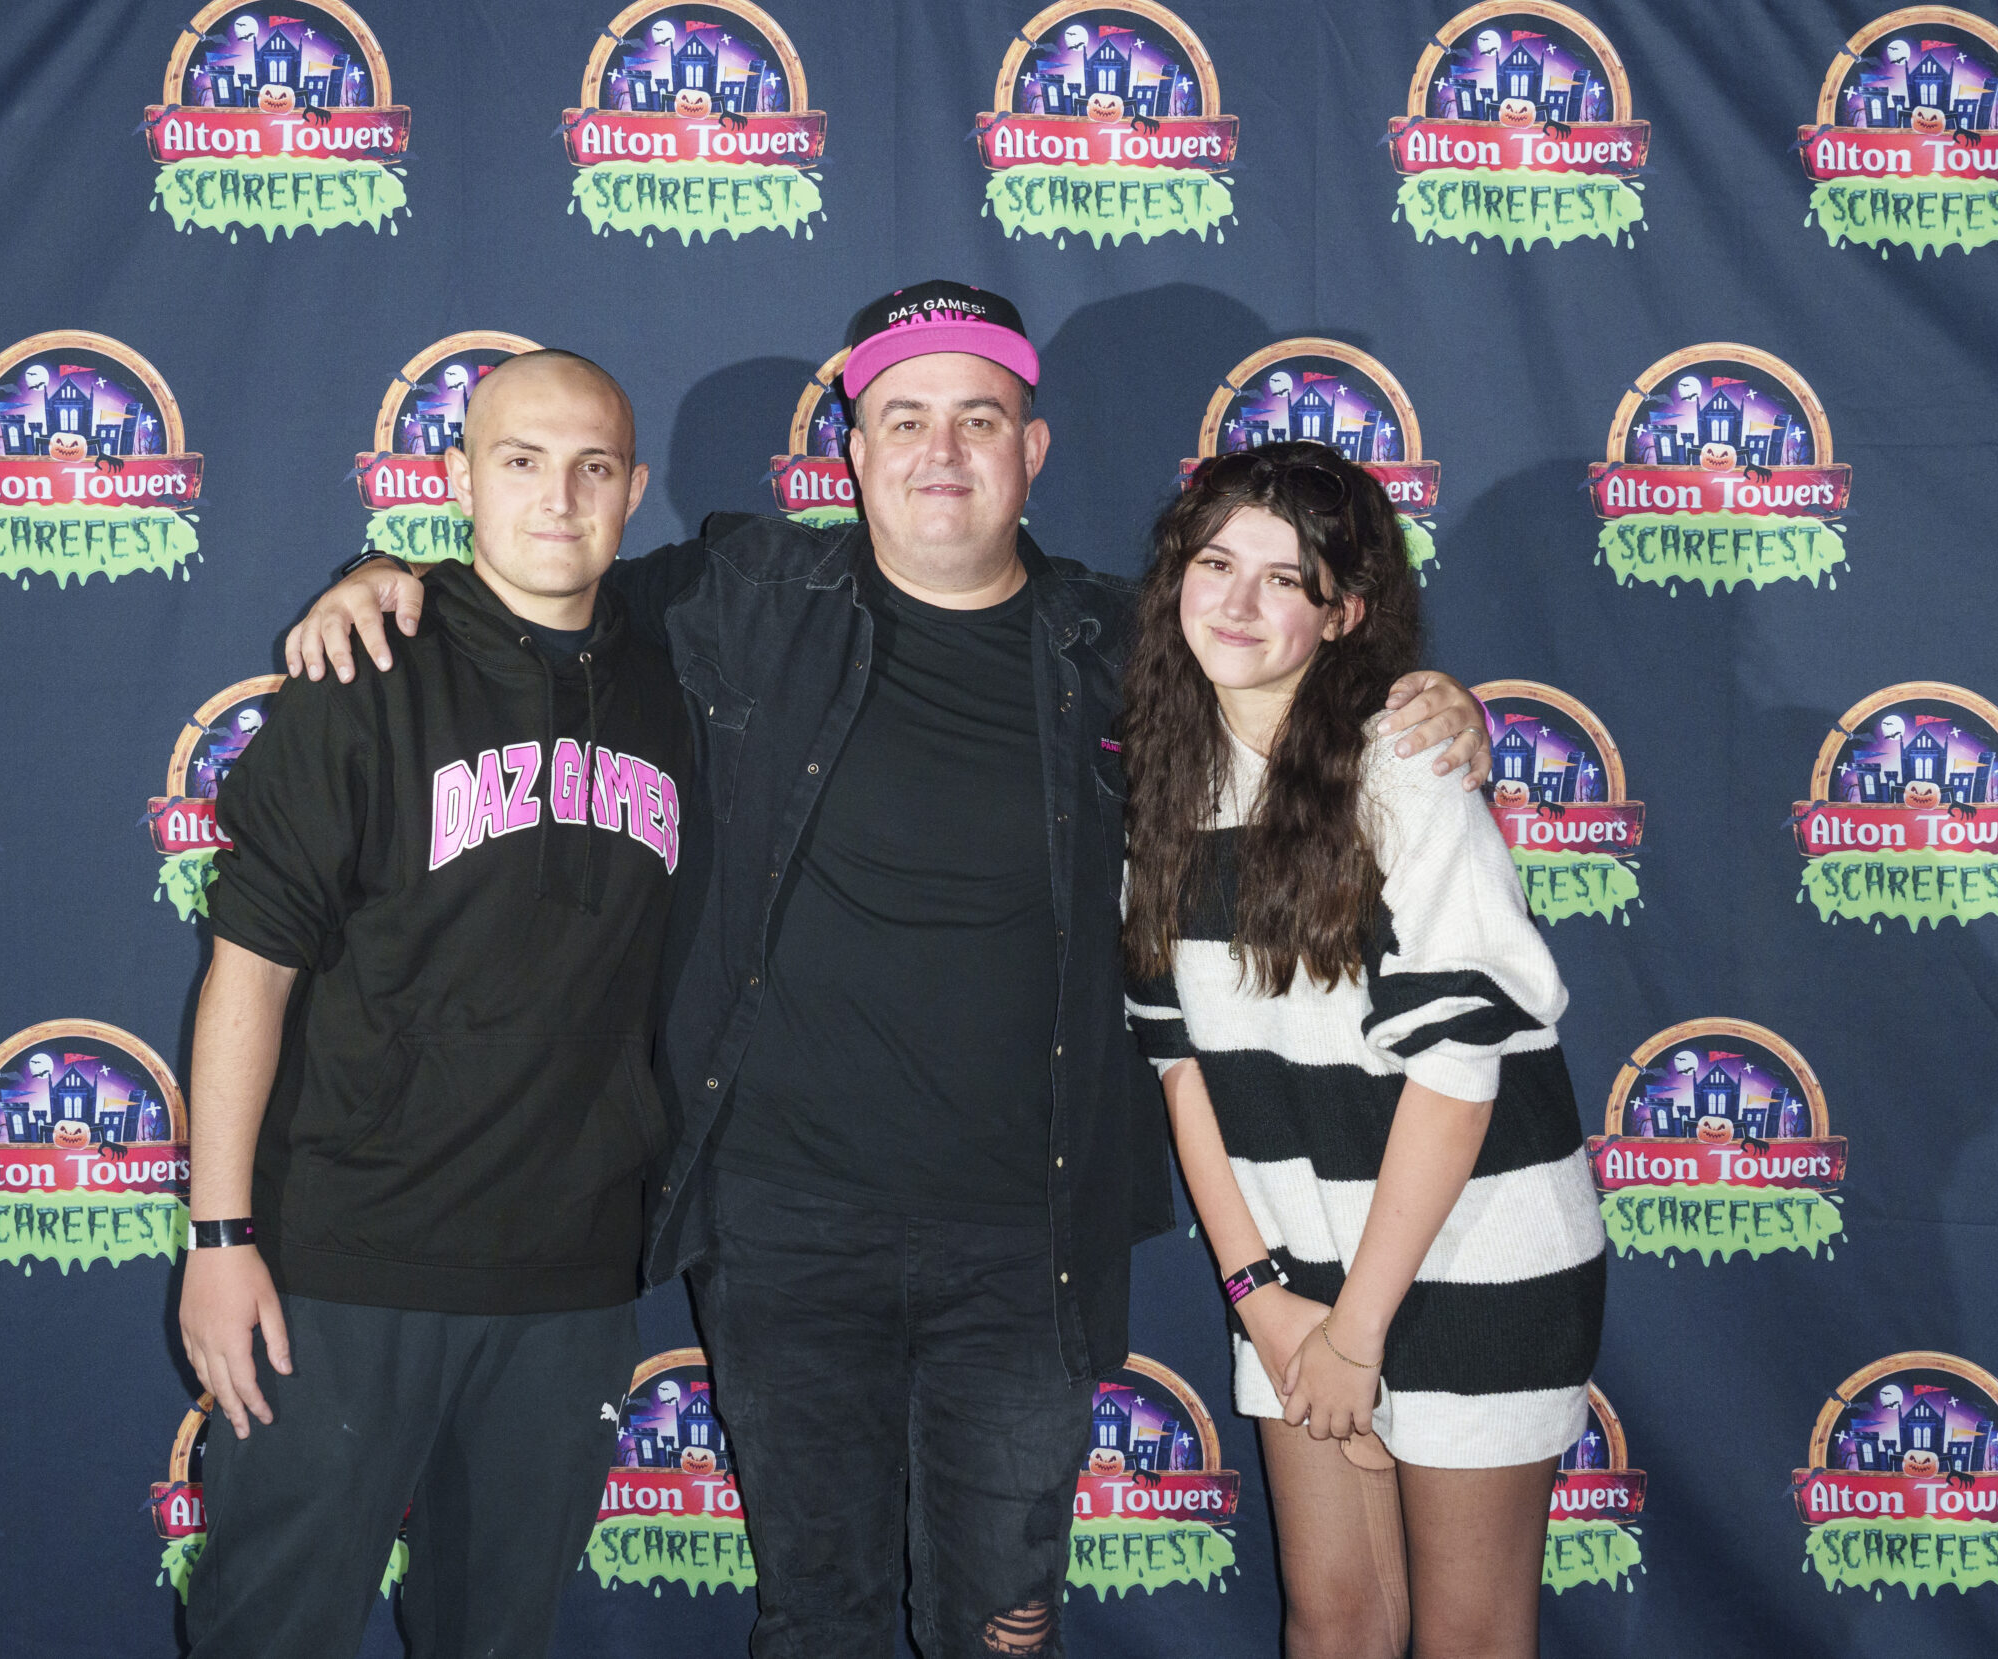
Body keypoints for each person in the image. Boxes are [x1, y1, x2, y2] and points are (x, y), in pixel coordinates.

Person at [283, 282, 1493, 1657]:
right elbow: (535, 594)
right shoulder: (741, 592)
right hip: (785, 1227)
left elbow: (1300, 686)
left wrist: (1420, 694)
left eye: (979, 418)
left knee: (1000, 1624)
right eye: (902, 417)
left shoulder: (1124, 646)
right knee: (821, 1615)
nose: (940, 449)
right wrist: (392, 578)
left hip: (1023, 1237)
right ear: (850, 454)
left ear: (1031, 452)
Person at [175, 350, 691, 1659]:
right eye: (520, 461)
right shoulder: (368, 670)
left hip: (569, 1276)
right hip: (345, 1264)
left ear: (635, 488)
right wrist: (221, 1231)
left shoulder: (690, 678)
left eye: (592, 467)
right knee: (268, 1627)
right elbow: (251, 968)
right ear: (458, 478)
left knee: (496, 1634)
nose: (558, 498)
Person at [1118, 441, 1605, 1659]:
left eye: (1285, 579)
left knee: (1465, 1637)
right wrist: (1264, 1303)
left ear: (1343, 613)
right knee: (1332, 1624)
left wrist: (1359, 1330)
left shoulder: (1406, 768)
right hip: (1292, 1280)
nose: (1234, 601)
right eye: (1215, 561)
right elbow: (1180, 1069)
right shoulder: (1159, 794)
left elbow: (1457, 1075)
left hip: (1468, 1264)